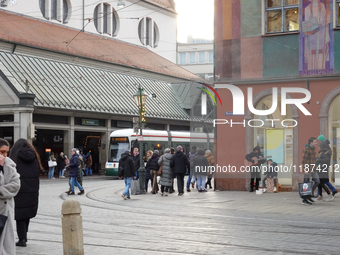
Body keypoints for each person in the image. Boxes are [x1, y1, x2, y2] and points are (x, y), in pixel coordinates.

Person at [10, 138, 41, 247]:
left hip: (20, 190)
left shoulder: (14, 158)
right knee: (26, 214)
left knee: (20, 215)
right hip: (32, 191)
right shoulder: (34, 157)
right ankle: (24, 236)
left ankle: (22, 239)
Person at [0, 138, 20, 254]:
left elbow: (16, 185)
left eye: (6, 152)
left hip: (7, 210)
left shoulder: (10, 165)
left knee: (7, 244)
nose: (5, 155)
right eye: (2, 152)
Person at [301, 137, 320, 205]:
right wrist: (305, 169)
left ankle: (309, 194)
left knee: (317, 181)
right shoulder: (306, 149)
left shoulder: (313, 149)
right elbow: (304, 160)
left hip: (313, 168)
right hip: (308, 169)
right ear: (311, 143)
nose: (316, 143)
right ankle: (304, 200)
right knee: (306, 184)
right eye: (315, 142)